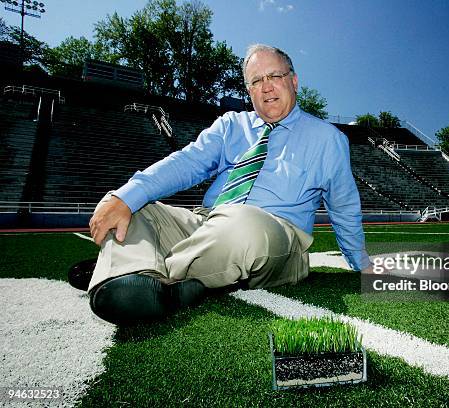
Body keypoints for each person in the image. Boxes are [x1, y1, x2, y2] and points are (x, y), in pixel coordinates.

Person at [80, 44, 371, 325]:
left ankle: (138, 270)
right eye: (256, 80)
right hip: (207, 224)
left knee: (244, 225)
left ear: (293, 81)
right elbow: (188, 162)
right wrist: (126, 197)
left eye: (274, 76)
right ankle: (133, 283)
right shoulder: (232, 124)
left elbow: (343, 205)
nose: (266, 86)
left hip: (276, 236)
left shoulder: (327, 138)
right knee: (134, 207)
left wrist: (362, 264)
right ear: (249, 91)